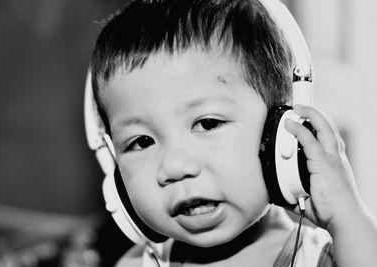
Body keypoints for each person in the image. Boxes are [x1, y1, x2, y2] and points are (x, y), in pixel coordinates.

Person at [87, 0, 377, 266]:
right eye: (142, 142)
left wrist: (346, 217)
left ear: (278, 139)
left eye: (208, 123)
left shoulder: (320, 257)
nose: (175, 167)